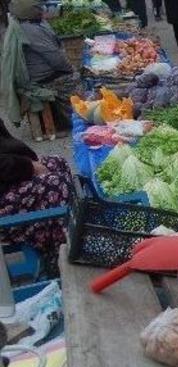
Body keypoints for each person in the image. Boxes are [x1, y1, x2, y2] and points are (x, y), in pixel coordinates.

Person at [0, 119, 73, 270]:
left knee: (58, 162)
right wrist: (30, 166)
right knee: (54, 185)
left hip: (7, 178)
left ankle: (70, 233)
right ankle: (57, 257)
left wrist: (31, 160)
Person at [8, 0, 80, 131]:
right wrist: (71, 69)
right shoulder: (31, 30)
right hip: (44, 78)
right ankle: (74, 118)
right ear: (32, 11)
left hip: (41, 74)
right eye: (40, 7)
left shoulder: (25, 23)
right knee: (79, 79)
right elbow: (56, 59)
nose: (43, 9)